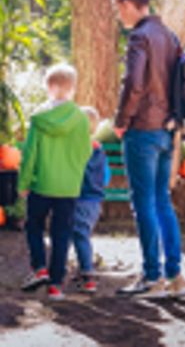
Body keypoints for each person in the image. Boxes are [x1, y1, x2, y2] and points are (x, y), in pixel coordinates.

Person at [111, 0, 185, 299]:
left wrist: (121, 120)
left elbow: (135, 83)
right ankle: (175, 276)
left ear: (128, 4)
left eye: (119, 9)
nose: (119, 16)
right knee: (162, 202)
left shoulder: (140, 37)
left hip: (142, 129)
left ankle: (151, 276)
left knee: (143, 204)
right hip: (167, 128)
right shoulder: (168, 35)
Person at [18, 64, 93, 301]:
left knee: (34, 226)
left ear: (49, 87)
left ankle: (39, 266)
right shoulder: (81, 119)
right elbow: (85, 152)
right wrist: (73, 174)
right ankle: (56, 285)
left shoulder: (39, 118)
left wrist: (24, 182)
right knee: (62, 234)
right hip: (69, 187)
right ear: (72, 89)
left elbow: (29, 154)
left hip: (42, 184)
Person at [70, 106, 111, 294]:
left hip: (79, 200)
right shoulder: (100, 153)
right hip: (94, 203)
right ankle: (81, 270)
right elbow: (106, 178)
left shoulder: (75, 151)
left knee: (79, 237)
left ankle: (88, 276)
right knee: (81, 235)